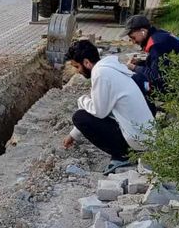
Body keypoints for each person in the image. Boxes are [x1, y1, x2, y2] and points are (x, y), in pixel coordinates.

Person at [62, 40, 155, 175]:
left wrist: (81, 100)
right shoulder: (110, 68)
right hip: (145, 136)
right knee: (86, 113)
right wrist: (73, 134)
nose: (77, 71)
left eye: (77, 66)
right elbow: (101, 109)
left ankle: (123, 155)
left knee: (79, 117)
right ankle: (127, 151)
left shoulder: (101, 74)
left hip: (137, 140)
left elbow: (99, 112)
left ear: (86, 63)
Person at [124, 15, 179, 96]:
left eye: (133, 37)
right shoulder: (159, 34)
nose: (133, 41)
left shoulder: (156, 45)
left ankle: (149, 108)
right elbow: (161, 62)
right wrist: (140, 63)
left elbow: (155, 76)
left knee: (134, 80)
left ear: (143, 31)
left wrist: (134, 68)